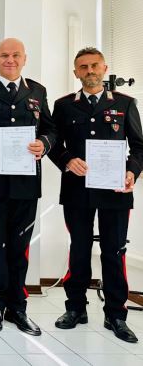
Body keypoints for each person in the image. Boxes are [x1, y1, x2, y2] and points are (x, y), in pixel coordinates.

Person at [49, 47, 143, 343]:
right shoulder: (64, 105)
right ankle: (75, 308)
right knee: (79, 248)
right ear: (75, 72)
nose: (89, 71)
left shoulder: (125, 103)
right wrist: (67, 160)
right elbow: (53, 143)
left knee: (114, 251)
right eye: (83, 67)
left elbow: (139, 146)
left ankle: (116, 314)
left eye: (94, 65)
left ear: (104, 68)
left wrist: (132, 172)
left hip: (115, 190)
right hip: (77, 189)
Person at [0, 38, 56, 335]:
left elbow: (50, 129)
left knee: (20, 247)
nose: (10, 60)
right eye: (4, 55)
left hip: (27, 183)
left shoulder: (37, 91)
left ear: (24, 58)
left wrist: (44, 143)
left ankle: (18, 306)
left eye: (16, 55)